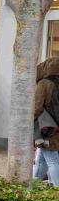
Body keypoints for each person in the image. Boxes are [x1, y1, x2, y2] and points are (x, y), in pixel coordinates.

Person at [34, 57, 59, 185]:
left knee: (52, 159)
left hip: (46, 128)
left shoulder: (44, 83)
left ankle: (56, 188)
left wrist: (30, 121)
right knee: (42, 157)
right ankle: (35, 184)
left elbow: (37, 107)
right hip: (55, 128)